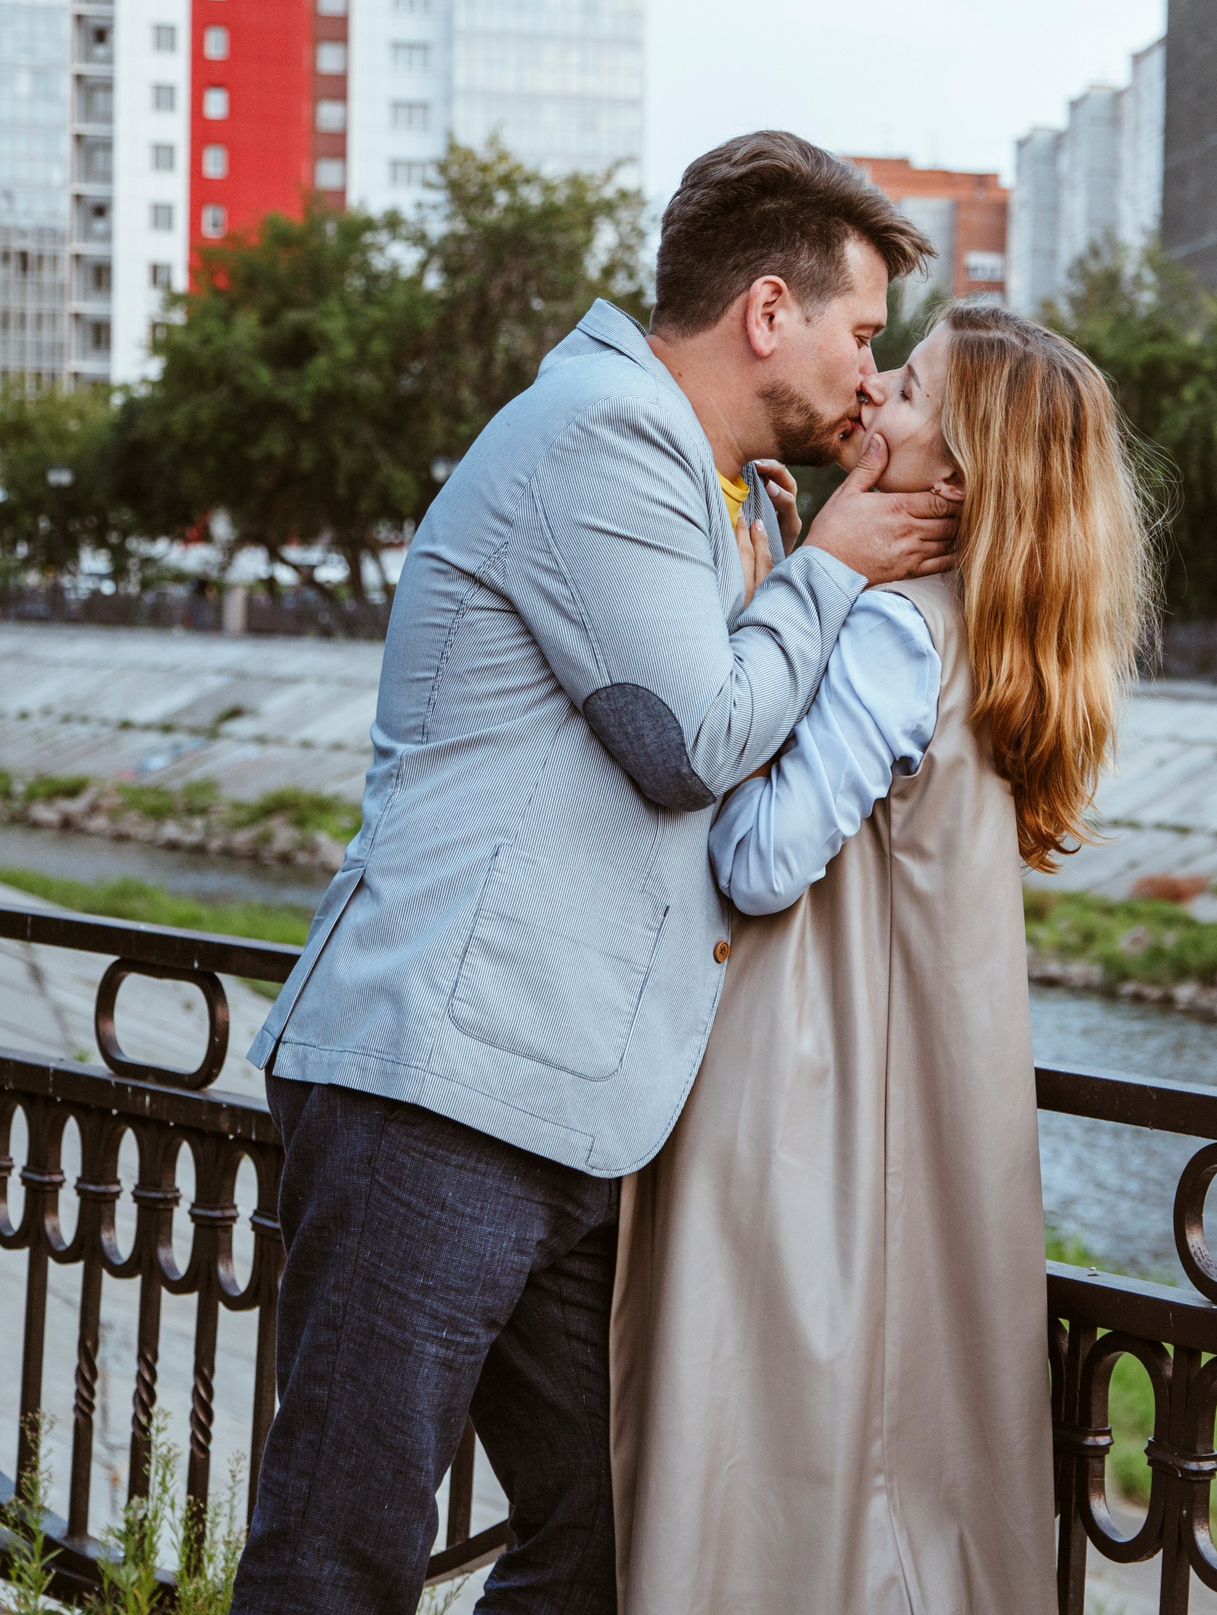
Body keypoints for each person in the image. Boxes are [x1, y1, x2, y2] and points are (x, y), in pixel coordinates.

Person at [234, 132, 962, 1615]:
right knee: (341, 1550)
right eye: (861, 332)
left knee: (611, 1538)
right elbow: (689, 738)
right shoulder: (601, 436)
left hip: (572, 1109)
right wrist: (832, 568)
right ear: (771, 312)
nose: (868, 373)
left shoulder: (727, 484)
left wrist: (816, 554)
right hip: (435, 1080)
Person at [610, 302, 1151, 1611]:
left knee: (758, 1458)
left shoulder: (894, 626)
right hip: (933, 1105)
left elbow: (757, 854)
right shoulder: (986, 631)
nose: (874, 393)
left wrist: (784, 599)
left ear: (955, 472)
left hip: (810, 1094)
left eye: (904, 388)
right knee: (907, 1463)